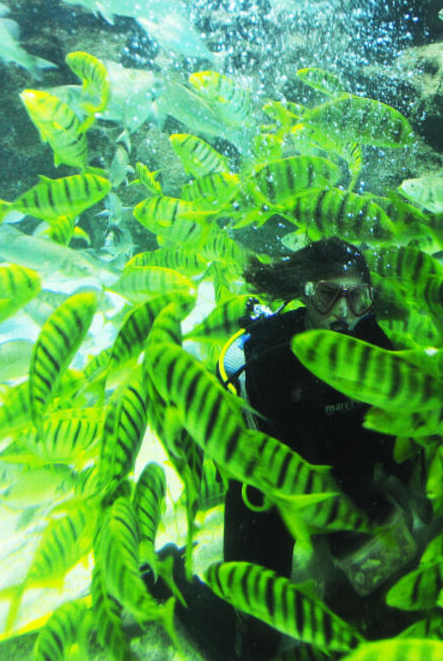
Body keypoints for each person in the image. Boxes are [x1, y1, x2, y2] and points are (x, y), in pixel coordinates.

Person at [165, 238, 424, 660]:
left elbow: (395, 442)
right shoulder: (270, 362)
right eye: (327, 295)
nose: (343, 311)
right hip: (267, 491)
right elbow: (265, 458)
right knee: (253, 646)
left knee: (388, 609)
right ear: (305, 295)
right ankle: (168, 580)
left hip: (346, 481)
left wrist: (395, 500)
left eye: (357, 297)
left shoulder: (376, 349)